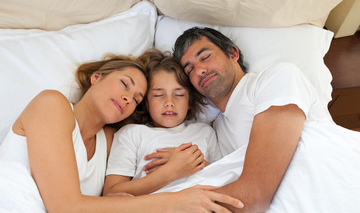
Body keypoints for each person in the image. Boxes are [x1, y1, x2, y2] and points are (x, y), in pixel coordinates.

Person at [0, 52, 244, 213]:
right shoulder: (52, 104)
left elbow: (113, 198)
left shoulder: (109, 140)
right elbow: (66, 206)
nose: (129, 98)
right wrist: (174, 201)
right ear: (97, 77)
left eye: (137, 99)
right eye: (124, 84)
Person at [157, 26, 360, 213]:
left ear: (232, 53)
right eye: (189, 69)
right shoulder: (215, 131)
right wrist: (183, 166)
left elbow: (252, 196)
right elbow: (224, 177)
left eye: (206, 57)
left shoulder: (275, 77)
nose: (199, 70)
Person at [103, 49, 222, 196]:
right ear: (146, 102)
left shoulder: (205, 132)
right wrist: (171, 171)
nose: (169, 103)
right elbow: (111, 192)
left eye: (178, 94)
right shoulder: (131, 134)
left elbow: (223, 178)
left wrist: (195, 163)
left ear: (190, 101)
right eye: (159, 95)